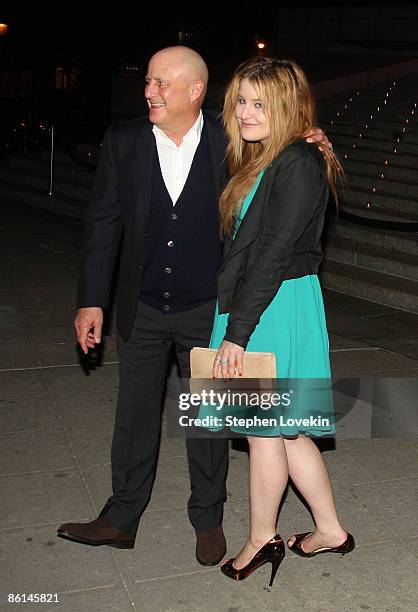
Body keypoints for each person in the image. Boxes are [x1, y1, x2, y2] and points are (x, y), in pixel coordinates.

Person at [56, 46, 332, 566]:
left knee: (208, 420)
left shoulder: (232, 139)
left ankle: (208, 519)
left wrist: (310, 138)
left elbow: (286, 167)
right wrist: (91, 300)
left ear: (195, 91)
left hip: (210, 308)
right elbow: (103, 224)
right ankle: (121, 516)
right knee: (134, 413)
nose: (148, 91)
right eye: (149, 82)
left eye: (161, 82)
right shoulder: (124, 141)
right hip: (141, 306)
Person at [206, 56, 355, 586]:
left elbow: (271, 251)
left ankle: (260, 538)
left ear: (287, 105)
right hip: (270, 300)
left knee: (263, 433)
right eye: (241, 101)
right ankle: (330, 531)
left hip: (269, 306)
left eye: (259, 103)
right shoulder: (271, 155)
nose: (245, 112)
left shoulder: (296, 161)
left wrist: (236, 334)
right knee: (287, 434)